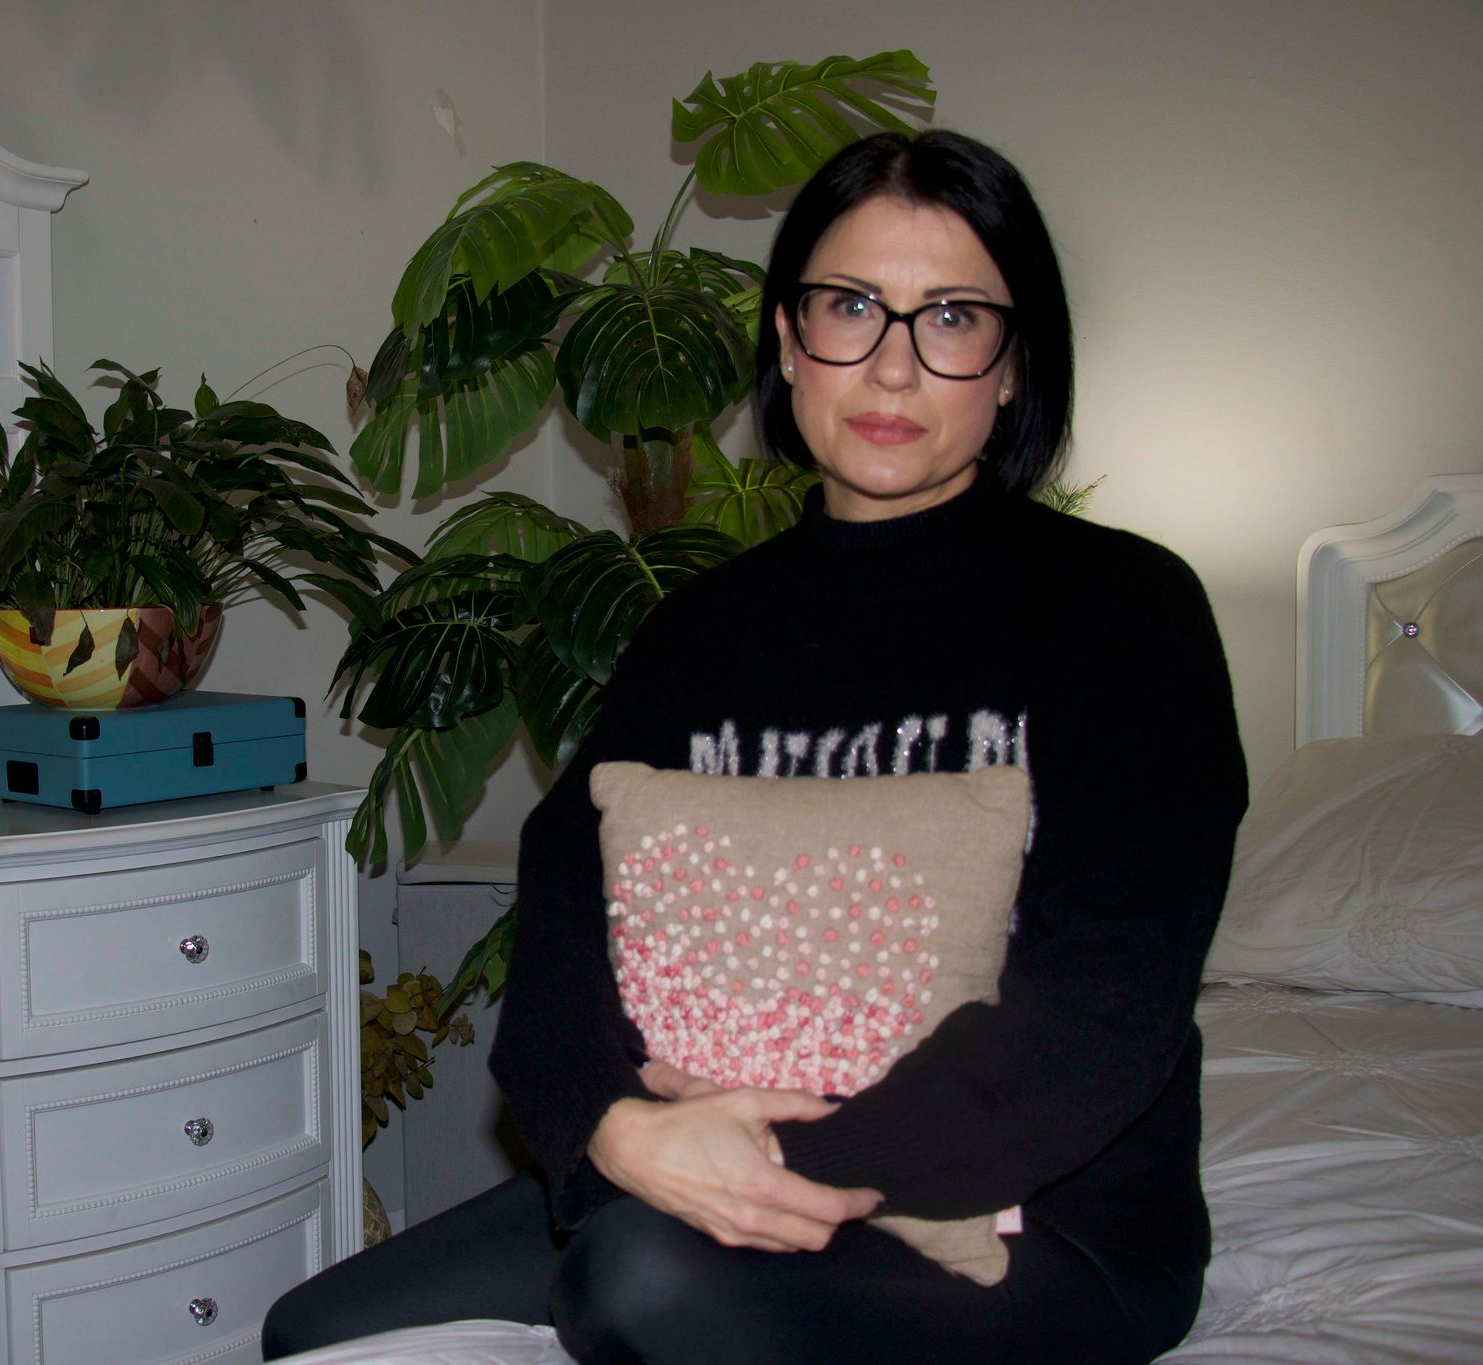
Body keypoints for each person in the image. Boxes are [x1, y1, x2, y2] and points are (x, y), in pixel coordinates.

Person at [264, 129, 1246, 1364]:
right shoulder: (700, 633)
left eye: (948, 319)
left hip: (1038, 1218)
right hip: (680, 1160)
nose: (890, 369)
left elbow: (1101, 1007)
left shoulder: (1126, 610)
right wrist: (615, 1133)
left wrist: (754, 1167)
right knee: (313, 1331)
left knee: (641, 1283)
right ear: (787, 342)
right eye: (848, 308)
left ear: (1011, 367)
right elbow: (570, 899)